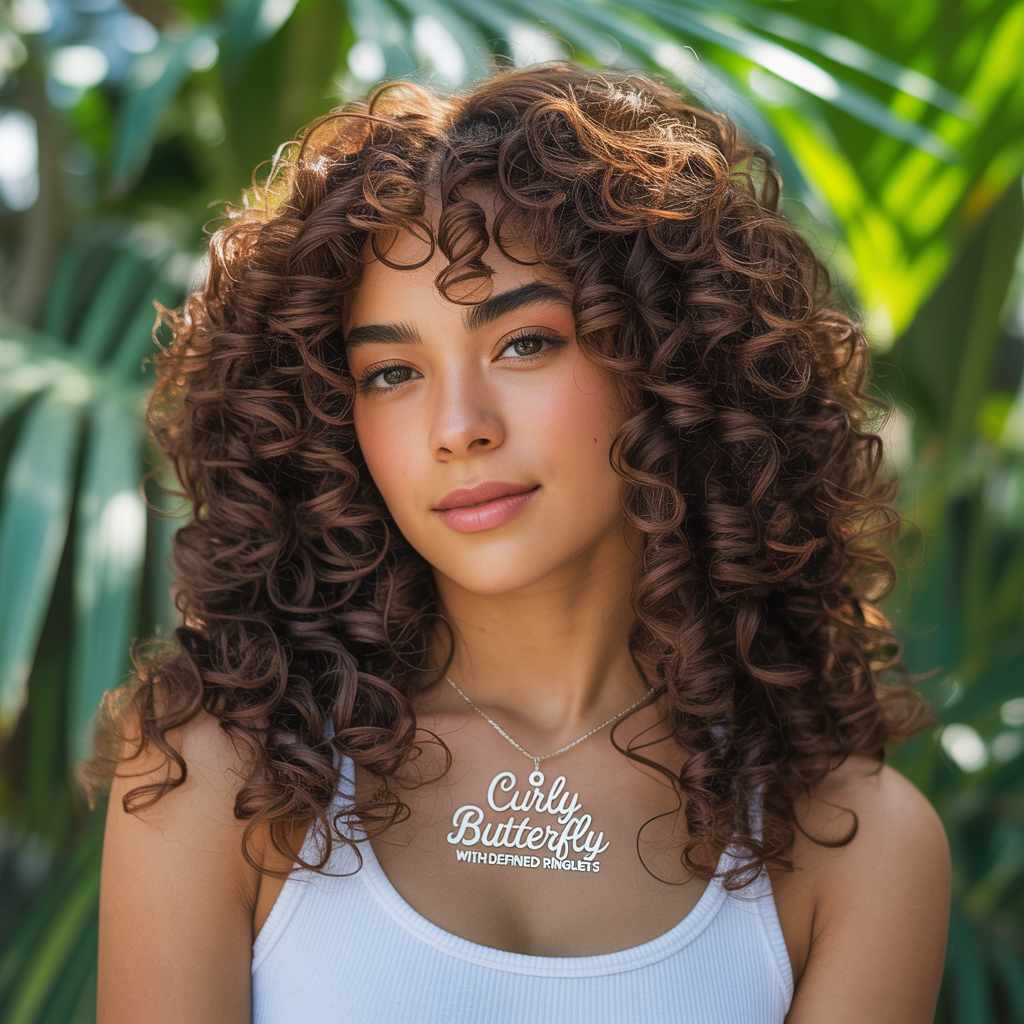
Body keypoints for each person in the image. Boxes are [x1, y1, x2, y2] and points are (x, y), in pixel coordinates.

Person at [95, 62, 951, 1024]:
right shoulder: (221, 769)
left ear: (669, 360)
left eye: (525, 343)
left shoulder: (857, 846)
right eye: (391, 372)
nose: (457, 427)